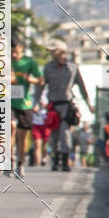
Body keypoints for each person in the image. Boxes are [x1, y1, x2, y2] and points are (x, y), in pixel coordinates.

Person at [34, 43, 94, 172]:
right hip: (53, 105)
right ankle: (55, 161)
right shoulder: (48, 68)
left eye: (53, 51)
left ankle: (65, 161)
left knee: (65, 133)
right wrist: (35, 103)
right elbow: (41, 86)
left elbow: (82, 87)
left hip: (67, 105)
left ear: (61, 52)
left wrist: (89, 104)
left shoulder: (72, 67)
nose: (51, 53)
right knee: (54, 135)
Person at [10, 37, 41, 178]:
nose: (14, 55)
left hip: (24, 103)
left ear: (21, 48)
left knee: (22, 137)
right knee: (10, 127)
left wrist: (30, 79)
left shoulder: (29, 62)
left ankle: (20, 164)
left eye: (16, 52)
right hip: (6, 101)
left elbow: (41, 81)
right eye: (11, 52)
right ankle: (10, 160)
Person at [31, 96, 51, 166]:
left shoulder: (48, 95)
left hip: (45, 124)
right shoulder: (32, 96)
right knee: (37, 145)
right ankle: (37, 163)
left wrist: (45, 106)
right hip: (36, 124)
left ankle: (44, 158)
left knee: (45, 145)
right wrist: (33, 108)